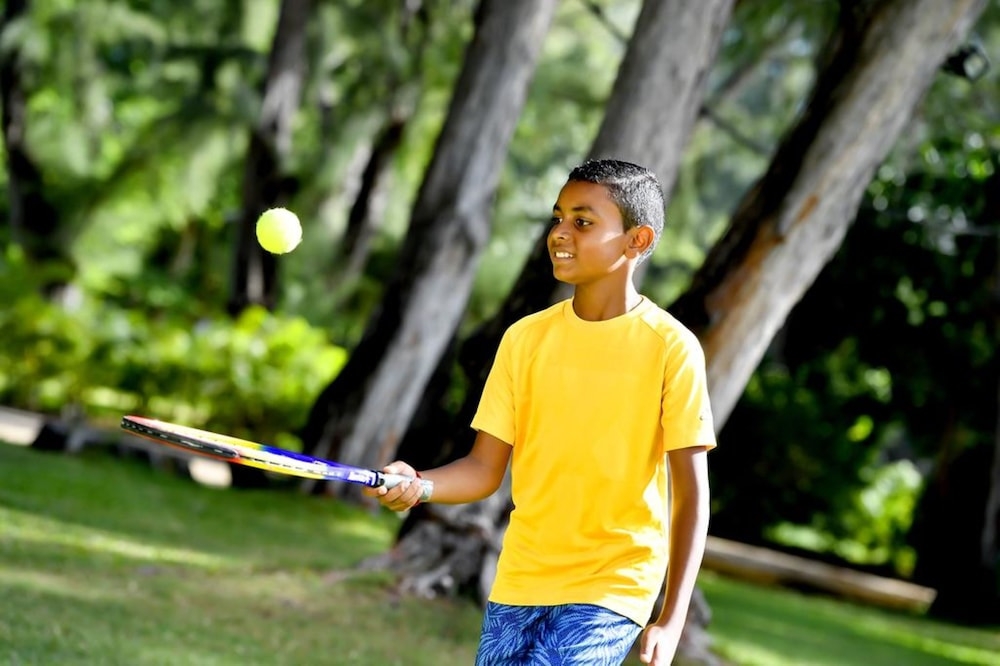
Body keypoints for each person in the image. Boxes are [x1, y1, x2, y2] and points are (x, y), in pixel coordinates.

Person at [366, 158, 716, 666]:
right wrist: (418, 484)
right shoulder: (525, 340)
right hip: (523, 575)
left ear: (636, 241)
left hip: (614, 583)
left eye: (583, 221)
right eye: (558, 218)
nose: (560, 233)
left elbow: (692, 494)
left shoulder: (672, 349)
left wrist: (672, 615)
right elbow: (484, 469)